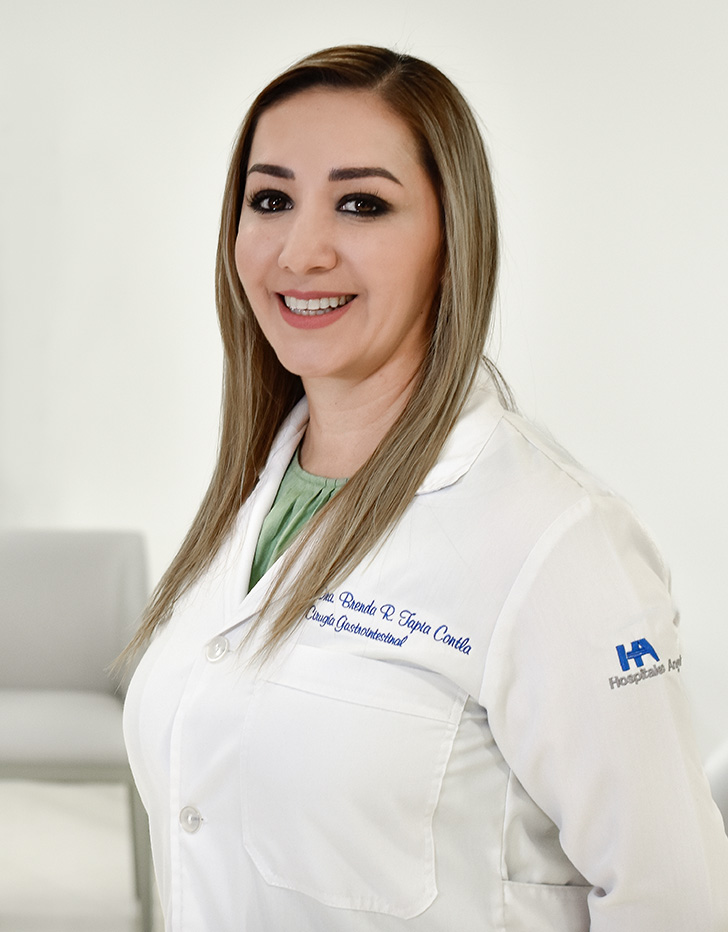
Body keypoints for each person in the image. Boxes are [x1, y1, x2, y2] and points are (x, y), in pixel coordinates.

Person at [122, 45, 728, 931]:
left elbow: (675, 899)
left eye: (362, 204)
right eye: (271, 199)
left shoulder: (557, 540)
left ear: (452, 242)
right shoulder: (254, 500)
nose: (303, 249)